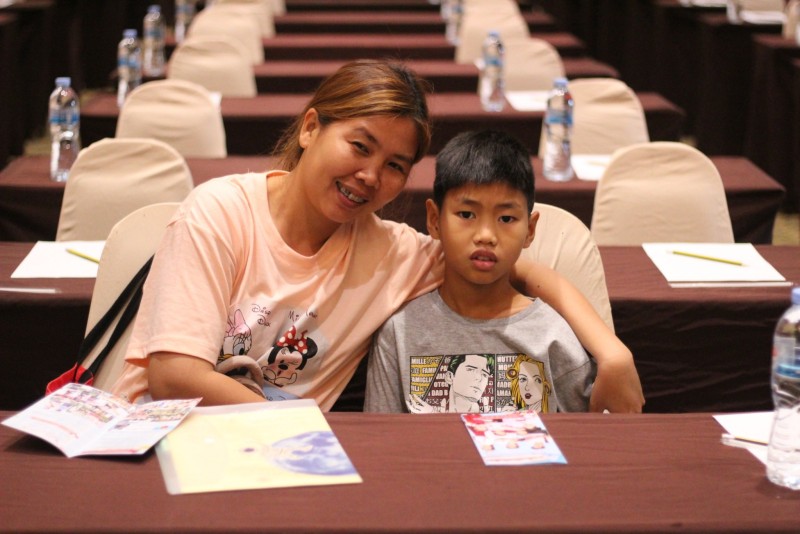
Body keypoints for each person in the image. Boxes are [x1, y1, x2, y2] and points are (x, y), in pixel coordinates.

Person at [110, 60, 642, 412]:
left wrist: (613, 355)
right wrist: (306, 427)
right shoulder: (219, 213)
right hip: (159, 436)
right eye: (360, 147)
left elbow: (513, 265)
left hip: (283, 458)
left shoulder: (391, 252)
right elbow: (175, 376)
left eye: (394, 165)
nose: (369, 176)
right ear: (311, 128)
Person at [364, 129, 594, 414]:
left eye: (506, 218)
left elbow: (583, 435)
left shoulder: (553, 336)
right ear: (434, 220)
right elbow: (382, 436)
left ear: (530, 230)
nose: (486, 235)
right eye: (466, 215)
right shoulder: (400, 332)